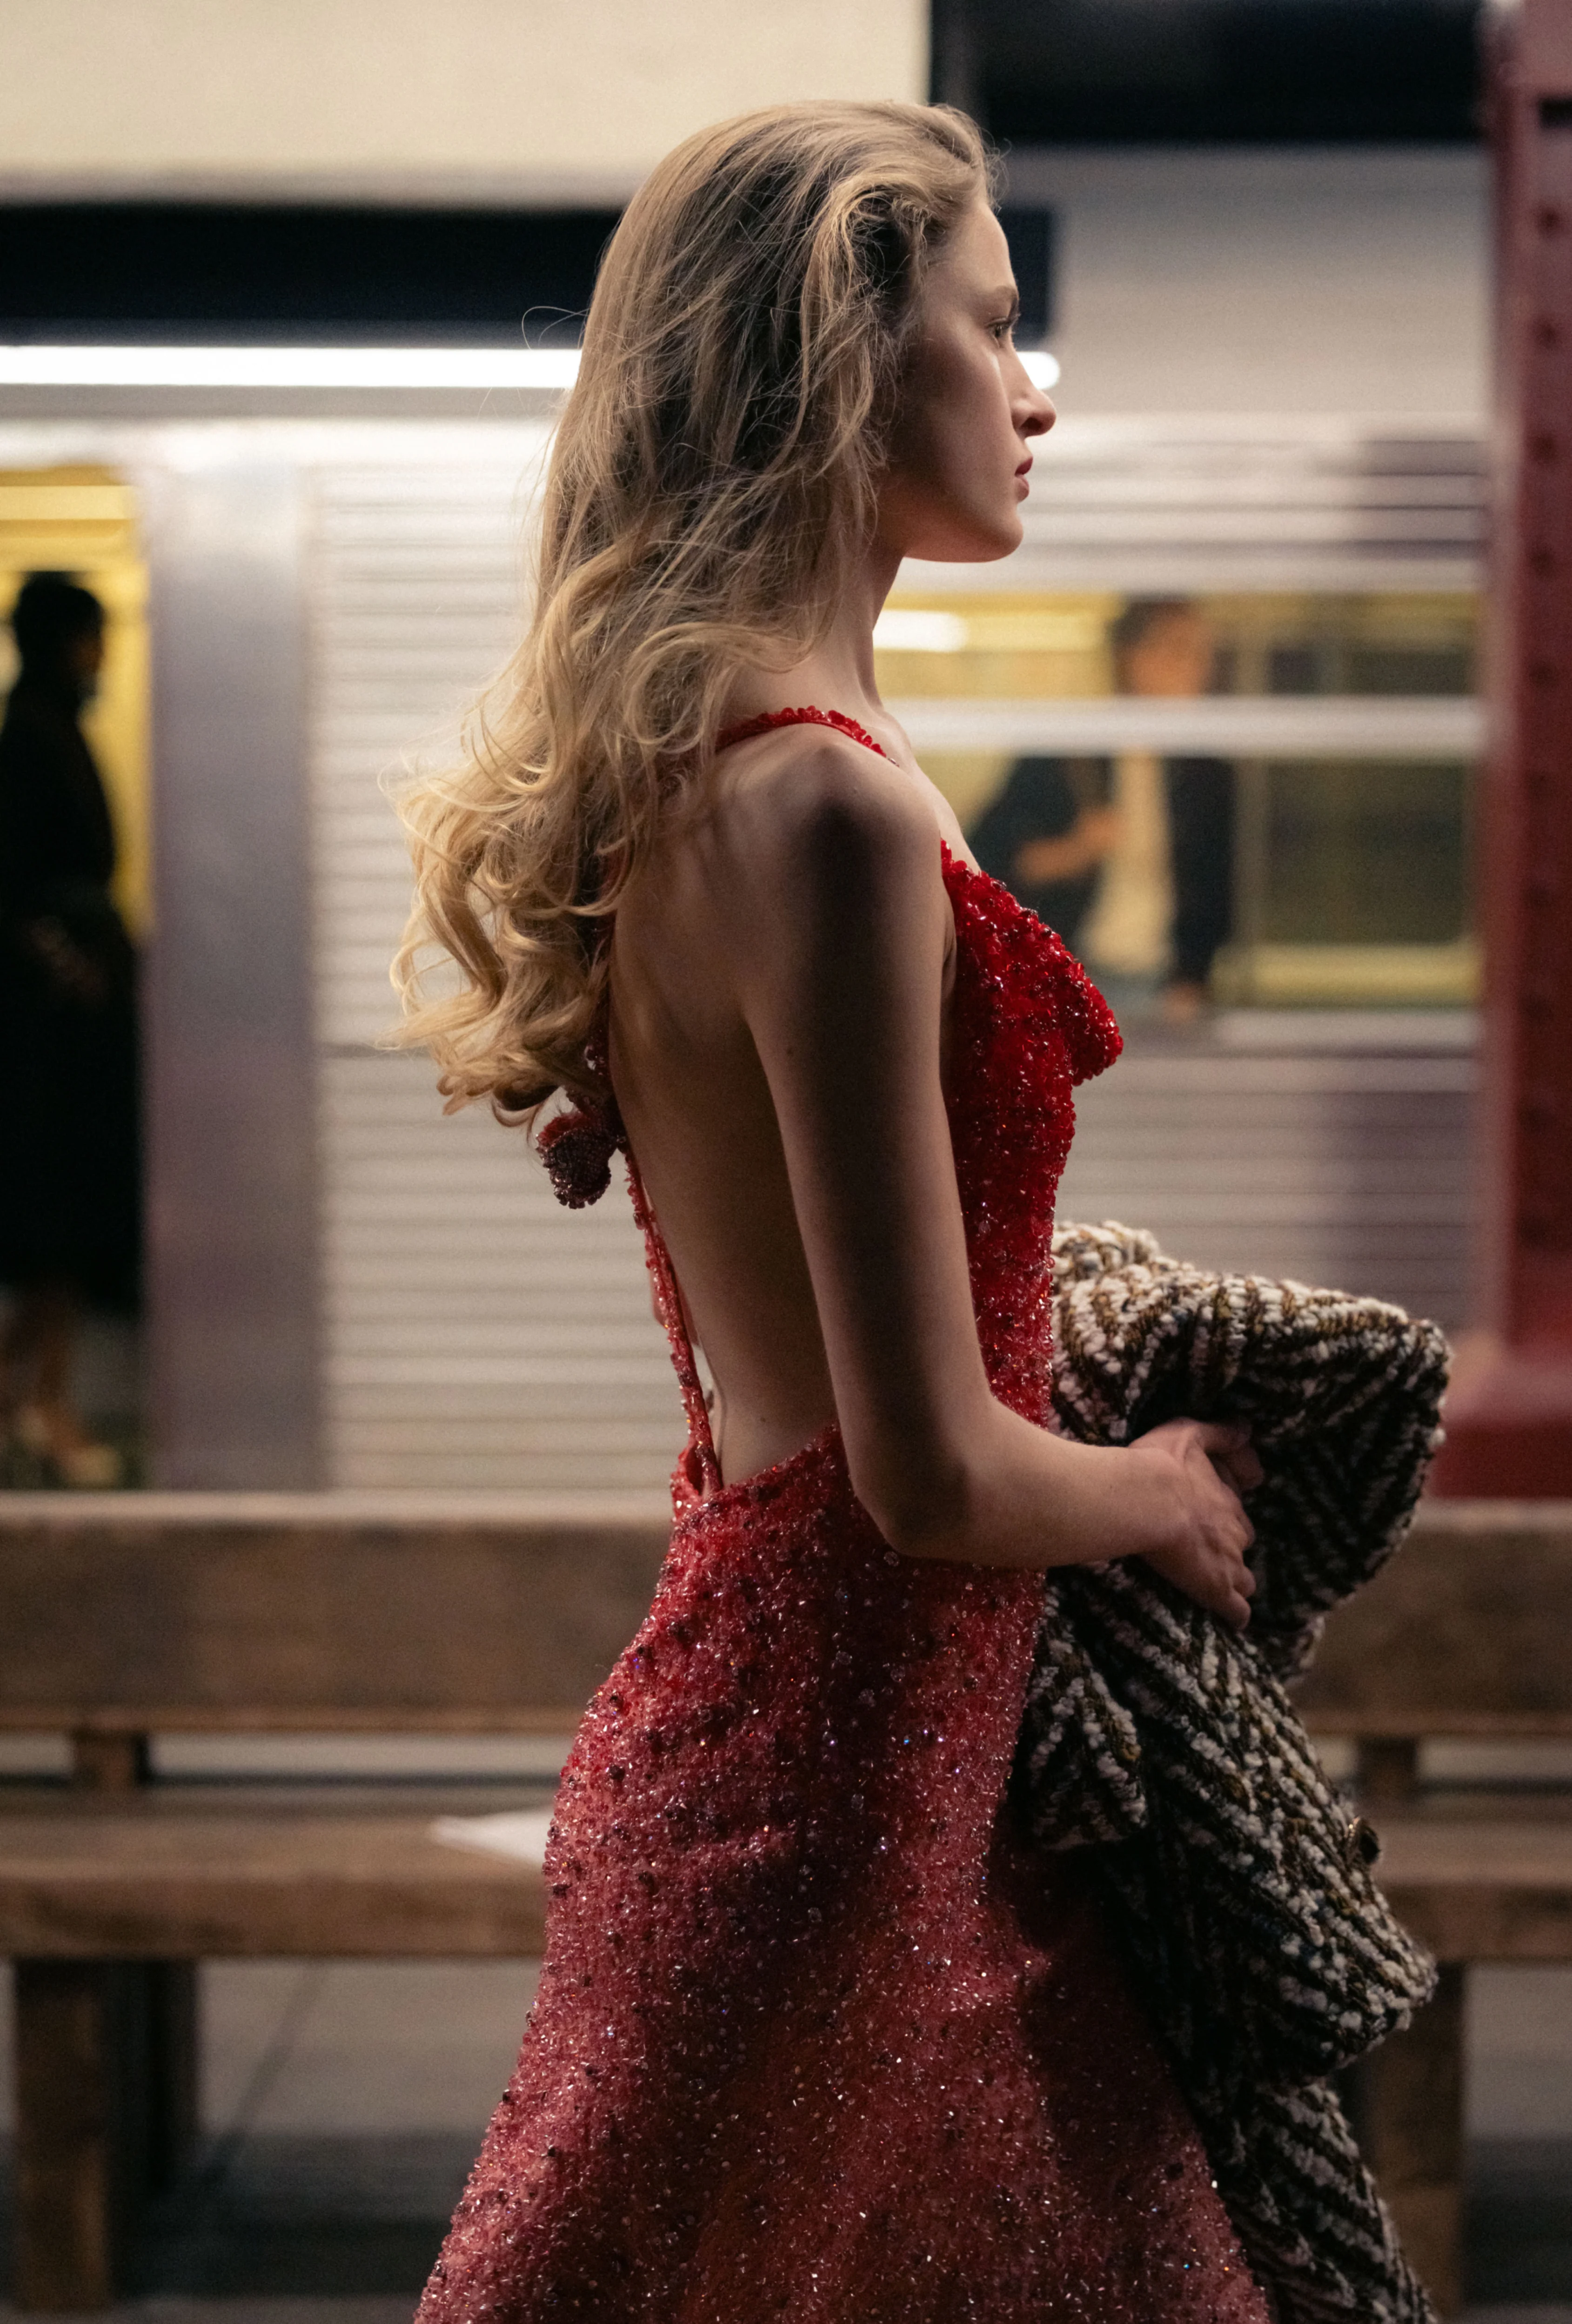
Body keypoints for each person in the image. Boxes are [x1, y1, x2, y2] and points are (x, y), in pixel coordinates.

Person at [396, 102, 1268, 2320]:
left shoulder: (695, 772)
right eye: (993, 323)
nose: (1035, 382)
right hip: (845, 1793)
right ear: (843, 361)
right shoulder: (836, 808)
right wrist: (1157, 1488)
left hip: (815, 1761)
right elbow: (930, 1465)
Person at [0, 574, 139, 1487]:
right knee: (50, 1227)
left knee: (61, 1232)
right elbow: (14, 891)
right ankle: (40, 1408)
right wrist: (73, 967)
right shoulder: (27, 745)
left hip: (59, 1027)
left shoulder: (45, 731)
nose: (101, 657)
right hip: (43, 1036)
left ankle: (34, 1403)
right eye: (91, 639)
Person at [970, 602, 1235, 1024]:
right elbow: (985, 864)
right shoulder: (1066, 755)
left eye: (1202, 654)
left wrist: (1193, 979)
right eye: (1175, 649)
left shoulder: (1206, 774)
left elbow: (1217, 889)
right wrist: (1073, 851)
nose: (1193, 668)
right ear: (1129, 655)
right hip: (1067, 982)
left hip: (1162, 986)